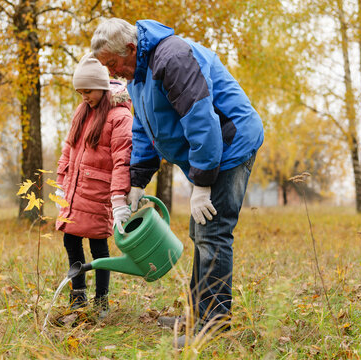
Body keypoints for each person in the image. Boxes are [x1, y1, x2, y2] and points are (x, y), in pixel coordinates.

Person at [91, 19, 264, 346]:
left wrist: (202, 184)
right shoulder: (138, 75)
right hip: (211, 150)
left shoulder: (172, 58)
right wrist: (137, 182)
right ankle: (197, 315)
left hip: (230, 143)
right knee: (201, 231)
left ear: (130, 49)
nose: (113, 74)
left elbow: (202, 122)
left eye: (113, 65)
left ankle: (212, 327)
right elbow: (143, 129)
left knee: (213, 230)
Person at [55, 53, 133, 319]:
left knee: (99, 246)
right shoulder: (82, 111)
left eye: (87, 91)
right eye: (80, 92)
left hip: (101, 193)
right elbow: (69, 148)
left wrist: (119, 197)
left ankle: (102, 300)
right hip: (76, 191)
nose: (84, 97)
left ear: (101, 86)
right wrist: (60, 182)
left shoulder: (119, 116)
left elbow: (123, 159)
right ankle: (78, 296)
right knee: (71, 239)